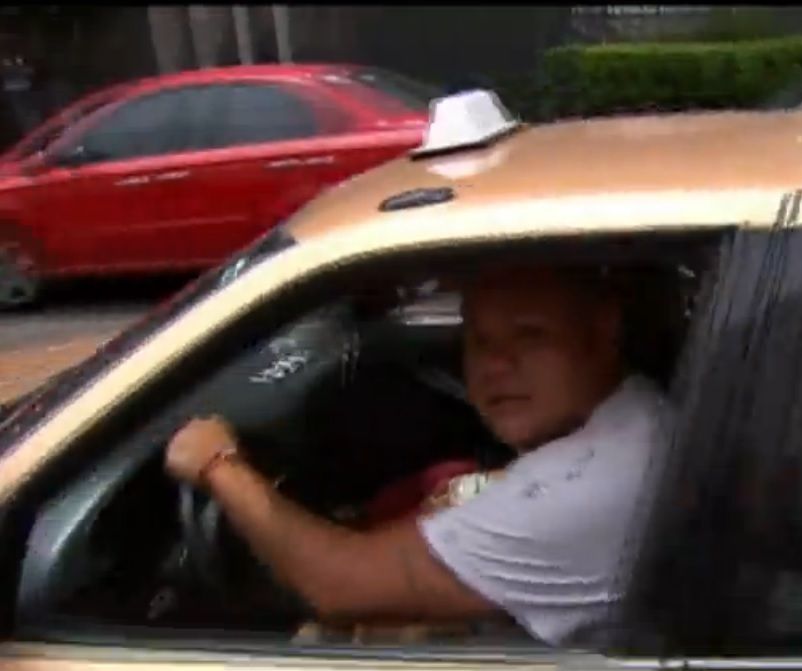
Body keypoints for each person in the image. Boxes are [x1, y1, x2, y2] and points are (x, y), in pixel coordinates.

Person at [165, 264, 674, 646]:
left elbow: (339, 586)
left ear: (605, 332)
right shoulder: (636, 414)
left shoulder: (587, 489)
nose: (496, 366)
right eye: (479, 341)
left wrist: (218, 465)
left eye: (530, 336)